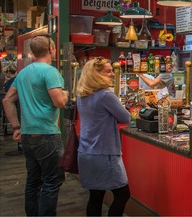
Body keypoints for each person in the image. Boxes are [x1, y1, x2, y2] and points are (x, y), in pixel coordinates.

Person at [2, 34, 68, 216]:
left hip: (28, 135)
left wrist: (16, 127)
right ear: (52, 50)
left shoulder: (23, 73)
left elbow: (7, 100)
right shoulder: (50, 72)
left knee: (33, 181)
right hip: (47, 134)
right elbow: (59, 102)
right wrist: (66, 95)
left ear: (31, 53)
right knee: (52, 180)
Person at [76, 57, 131, 216]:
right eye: (108, 71)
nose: (112, 74)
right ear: (95, 74)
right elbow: (126, 118)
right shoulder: (106, 95)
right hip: (104, 153)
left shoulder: (82, 94)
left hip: (86, 151)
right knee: (123, 194)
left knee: (96, 196)